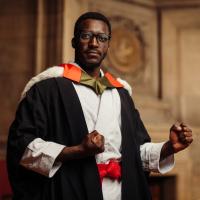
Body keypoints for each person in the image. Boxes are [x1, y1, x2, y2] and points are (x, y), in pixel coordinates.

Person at [7, 12, 193, 200]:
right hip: (70, 191)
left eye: (101, 38)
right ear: (74, 41)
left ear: (108, 44)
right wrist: (76, 151)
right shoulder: (47, 88)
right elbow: (22, 147)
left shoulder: (121, 93)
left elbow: (134, 153)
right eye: (86, 36)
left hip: (119, 192)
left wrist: (169, 147)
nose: (94, 43)